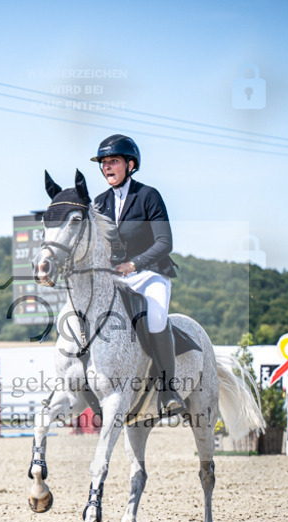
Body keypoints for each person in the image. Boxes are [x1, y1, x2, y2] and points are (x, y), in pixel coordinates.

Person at [91, 134, 183, 414]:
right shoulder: (99, 202)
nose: (107, 167)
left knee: (155, 319)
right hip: (115, 278)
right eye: (104, 163)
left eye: (114, 161)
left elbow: (165, 243)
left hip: (149, 274)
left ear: (130, 164)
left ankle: (168, 389)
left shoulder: (148, 196)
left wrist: (134, 264)